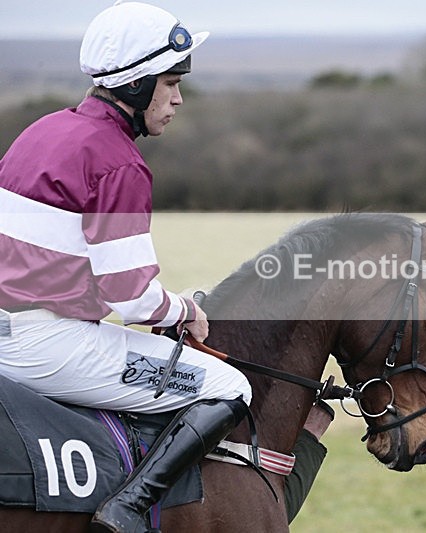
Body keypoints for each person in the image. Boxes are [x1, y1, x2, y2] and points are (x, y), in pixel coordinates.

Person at [0, 2, 329, 531]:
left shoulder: (43, 131)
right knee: (230, 388)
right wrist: (183, 310)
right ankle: (128, 507)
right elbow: (131, 299)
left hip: (9, 333)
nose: (177, 98)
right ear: (134, 86)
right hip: (50, 347)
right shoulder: (118, 161)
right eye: (170, 83)